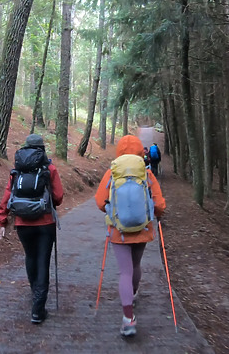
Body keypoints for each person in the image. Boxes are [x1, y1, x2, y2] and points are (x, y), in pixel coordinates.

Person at [94, 135, 166, 337]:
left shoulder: (112, 172)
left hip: (118, 230)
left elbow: (100, 201)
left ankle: (128, 319)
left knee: (124, 271)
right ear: (139, 152)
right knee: (135, 266)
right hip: (142, 229)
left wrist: (111, 211)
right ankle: (132, 293)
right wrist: (157, 215)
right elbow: (159, 204)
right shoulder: (146, 173)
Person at [0, 134, 64, 324]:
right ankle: (38, 309)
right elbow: (58, 197)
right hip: (45, 224)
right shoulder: (49, 168)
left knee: (30, 257)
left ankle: (35, 293)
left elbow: (8, 196)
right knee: (43, 261)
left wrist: (1, 221)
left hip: (22, 223)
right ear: (42, 149)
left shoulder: (17, 170)